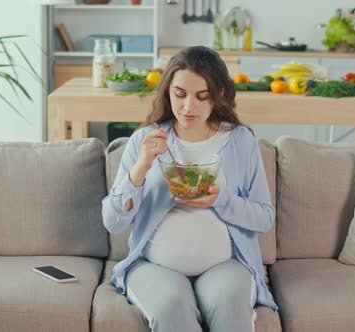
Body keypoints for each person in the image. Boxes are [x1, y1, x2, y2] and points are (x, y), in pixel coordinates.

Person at [101, 46, 277, 332]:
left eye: (202, 96)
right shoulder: (145, 139)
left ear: (218, 94)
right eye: (179, 94)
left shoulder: (241, 141)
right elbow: (112, 221)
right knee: (171, 309)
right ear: (168, 91)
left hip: (225, 266)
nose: (188, 107)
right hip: (155, 267)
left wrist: (222, 200)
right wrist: (141, 168)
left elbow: (264, 218)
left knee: (231, 309)